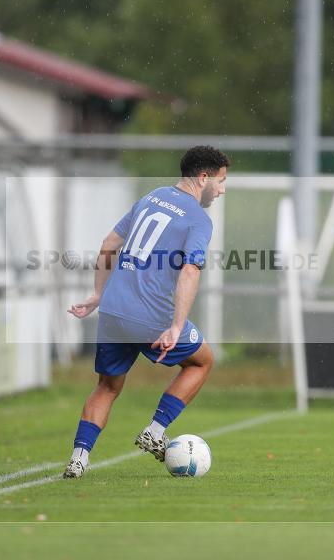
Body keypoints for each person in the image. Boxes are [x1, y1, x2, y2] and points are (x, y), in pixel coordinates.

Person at [63, 146, 229, 479]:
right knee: (202, 360)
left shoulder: (151, 197)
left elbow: (109, 243)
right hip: (150, 314)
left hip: (112, 310)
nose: (222, 189)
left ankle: (78, 459)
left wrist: (98, 293)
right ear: (203, 177)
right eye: (221, 181)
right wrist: (176, 324)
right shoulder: (198, 218)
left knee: (107, 386)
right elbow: (191, 270)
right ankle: (155, 430)